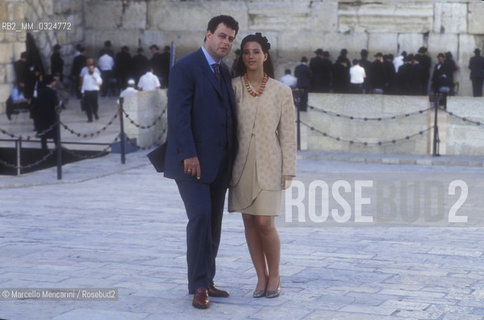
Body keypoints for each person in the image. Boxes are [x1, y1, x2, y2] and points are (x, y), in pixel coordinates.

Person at [163, 15, 239, 310]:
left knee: (214, 223)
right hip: (191, 163)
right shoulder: (185, 68)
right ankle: (197, 285)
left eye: (231, 39)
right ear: (208, 35)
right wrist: (188, 154)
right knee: (201, 217)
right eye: (222, 36)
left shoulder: (225, 70)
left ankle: (207, 280)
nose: (226, 43)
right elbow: (178, 116)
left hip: (219, 164)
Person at [230, 32, 296, 300]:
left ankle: (276, 275)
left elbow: (289, 133)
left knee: (265, 222)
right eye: (246, 52)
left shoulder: (282, 91)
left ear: (265, 56)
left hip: (270, 163)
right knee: (248, 221)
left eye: (256, 52)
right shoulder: (233, 87)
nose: (250, 56)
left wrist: (288, 169)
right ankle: (260, 276)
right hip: (240, 165)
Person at [36, 75, 59, 150]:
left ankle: (44, 147)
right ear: (51, 83)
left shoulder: (40, 91)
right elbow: (56, 103)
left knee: (43, 133)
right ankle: (57, 146)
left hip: (41, 115)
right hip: (51, 116)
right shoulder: (52, 92)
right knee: (54, 132)